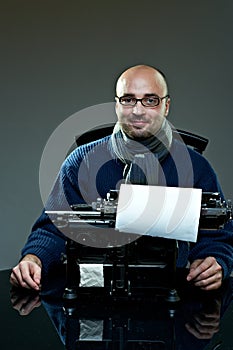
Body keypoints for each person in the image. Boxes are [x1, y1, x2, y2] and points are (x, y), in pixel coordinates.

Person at [10, 64, 233, 292]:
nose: (138, 110)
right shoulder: (81, 161)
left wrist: (215, 260)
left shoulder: (196, 167)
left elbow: (218, 235)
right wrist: (34, 258)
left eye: (150, 100)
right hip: (97, 292)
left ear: (166, 106)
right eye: (128, 99)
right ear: (117, 104)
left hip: (170, 294)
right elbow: (53, 228)